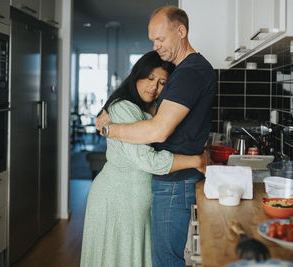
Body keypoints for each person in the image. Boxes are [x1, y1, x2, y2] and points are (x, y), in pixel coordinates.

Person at [96, 6, 217, 267]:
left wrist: (108, 129)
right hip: (172, 181)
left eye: (160, 38)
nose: (156, 45)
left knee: (165, 260)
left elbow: (158, 130)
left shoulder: (190, 71)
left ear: (181, 31)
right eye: (153, 40)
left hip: (173, 182)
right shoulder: (184, 71)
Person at [80, 51, 209, 267]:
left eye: (161, 83)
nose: (154, 87)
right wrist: (196, 161)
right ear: (137, 75)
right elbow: (147, 160)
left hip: (134, 200)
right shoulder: (123, 108)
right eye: (150, 79)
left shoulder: (153, 110)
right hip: (116, 199)